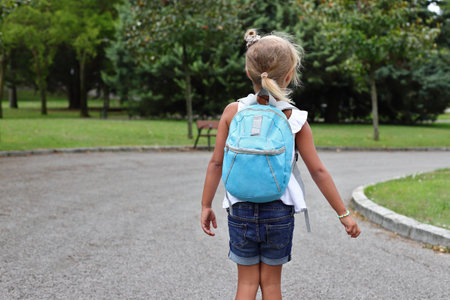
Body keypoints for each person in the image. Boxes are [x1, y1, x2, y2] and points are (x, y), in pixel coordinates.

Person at [201, 29, 361, 300]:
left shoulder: (232, 112)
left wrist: (206, 205)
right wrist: (343, 214)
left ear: (248, 72)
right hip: (279, 209)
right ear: (289, 76)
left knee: (247, 284)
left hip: (239, 206)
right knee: (272, 286)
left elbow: (216, 163)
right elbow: (318, 171)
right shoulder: (294, 118)